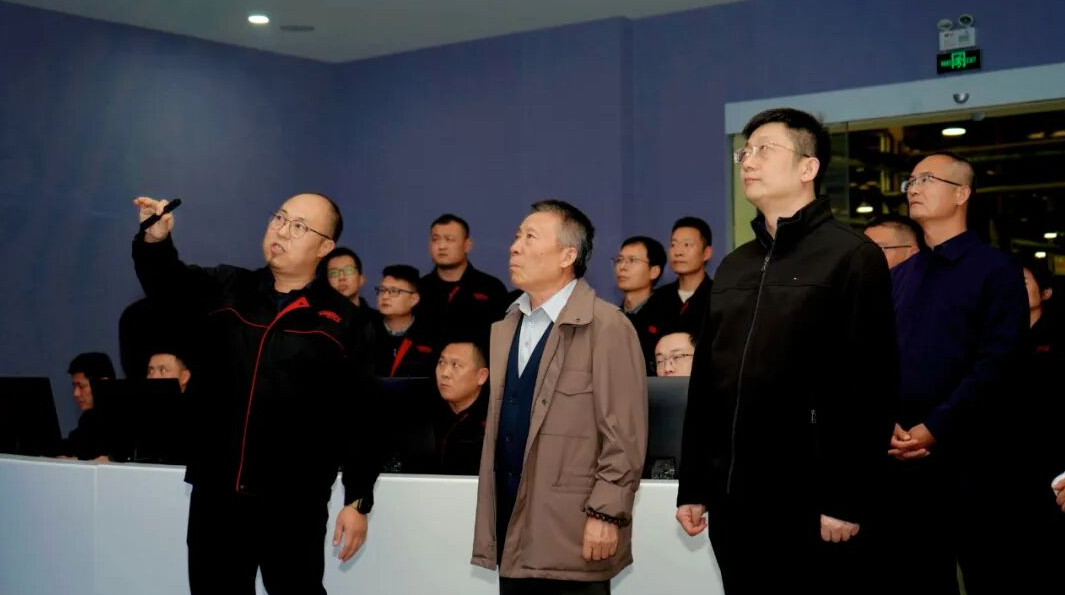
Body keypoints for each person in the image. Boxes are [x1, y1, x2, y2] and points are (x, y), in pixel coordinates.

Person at [676, 108, 898, 594]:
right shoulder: (734, 266)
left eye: (765, 149)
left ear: (808, 167)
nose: (748, 161)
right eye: (745, 151)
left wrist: (845, 497)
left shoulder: (851, 255)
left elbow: (870, 386)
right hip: (733, 498)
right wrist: (693, 484)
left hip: (811, 498)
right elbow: (706, 383)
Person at [132, 193, 379, 595]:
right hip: (218, 494)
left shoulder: (346, 322)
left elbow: (362, 416)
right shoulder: (227, 288)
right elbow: (167, 285)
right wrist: (155, 240)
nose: (281, 231)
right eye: (279, 218)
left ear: (324, 247)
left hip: (294, 502)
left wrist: (357, 500)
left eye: (298, 226)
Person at [471, 200, 647, 594]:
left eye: (530, 237)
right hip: (511, 527)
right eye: (517, 236)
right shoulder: (505, 327)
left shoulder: (607, 326)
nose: (515, 246)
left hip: (572, 529)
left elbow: (624, 435)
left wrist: (607, 513)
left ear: (568, 256)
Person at [884, 152, 1029, 594]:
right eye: (911, 180)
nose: (913, 188)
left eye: (927, 179)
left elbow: (999, 363)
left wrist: (935, 428)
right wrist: (888, 422)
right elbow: (880, 360)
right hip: (903, 460)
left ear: (962, 193)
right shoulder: (899, 276)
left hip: (975, 461)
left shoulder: (996, 269)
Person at [418, 214, 509, 350]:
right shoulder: (419, 289)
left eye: (449, 239)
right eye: (435, 239)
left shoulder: (491, 288)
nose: (441, 246)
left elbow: (503, 341)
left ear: (467, 245)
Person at [646, 217, 713, 337]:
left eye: (687, 245)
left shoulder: (719, 297)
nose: (678, 252)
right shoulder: (656, 299)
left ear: (706, 253)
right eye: (673, 244)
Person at [434, 340, 490, 475]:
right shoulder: (424, 417)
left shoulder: (492, 426)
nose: (445, 373)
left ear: (481, 376)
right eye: (441, 363)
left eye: (456, 365)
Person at [613, 236, 667, 374]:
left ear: (654, 271)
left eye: (632, 260)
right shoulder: (610, 317)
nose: (622, 267)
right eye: (619, 260)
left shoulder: (668, 317)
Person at [373, 264, 436, 377]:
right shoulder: (364, 330)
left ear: (414, 299)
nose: (385, 296)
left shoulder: (430, 334)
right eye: (382, 290)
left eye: (394, 291)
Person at [58, 352, 116, 461]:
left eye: (81, 386)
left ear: (103, 383)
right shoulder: (87, 419)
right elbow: (73, 445)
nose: (75, 393)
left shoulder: (126, 421)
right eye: (74, 386)